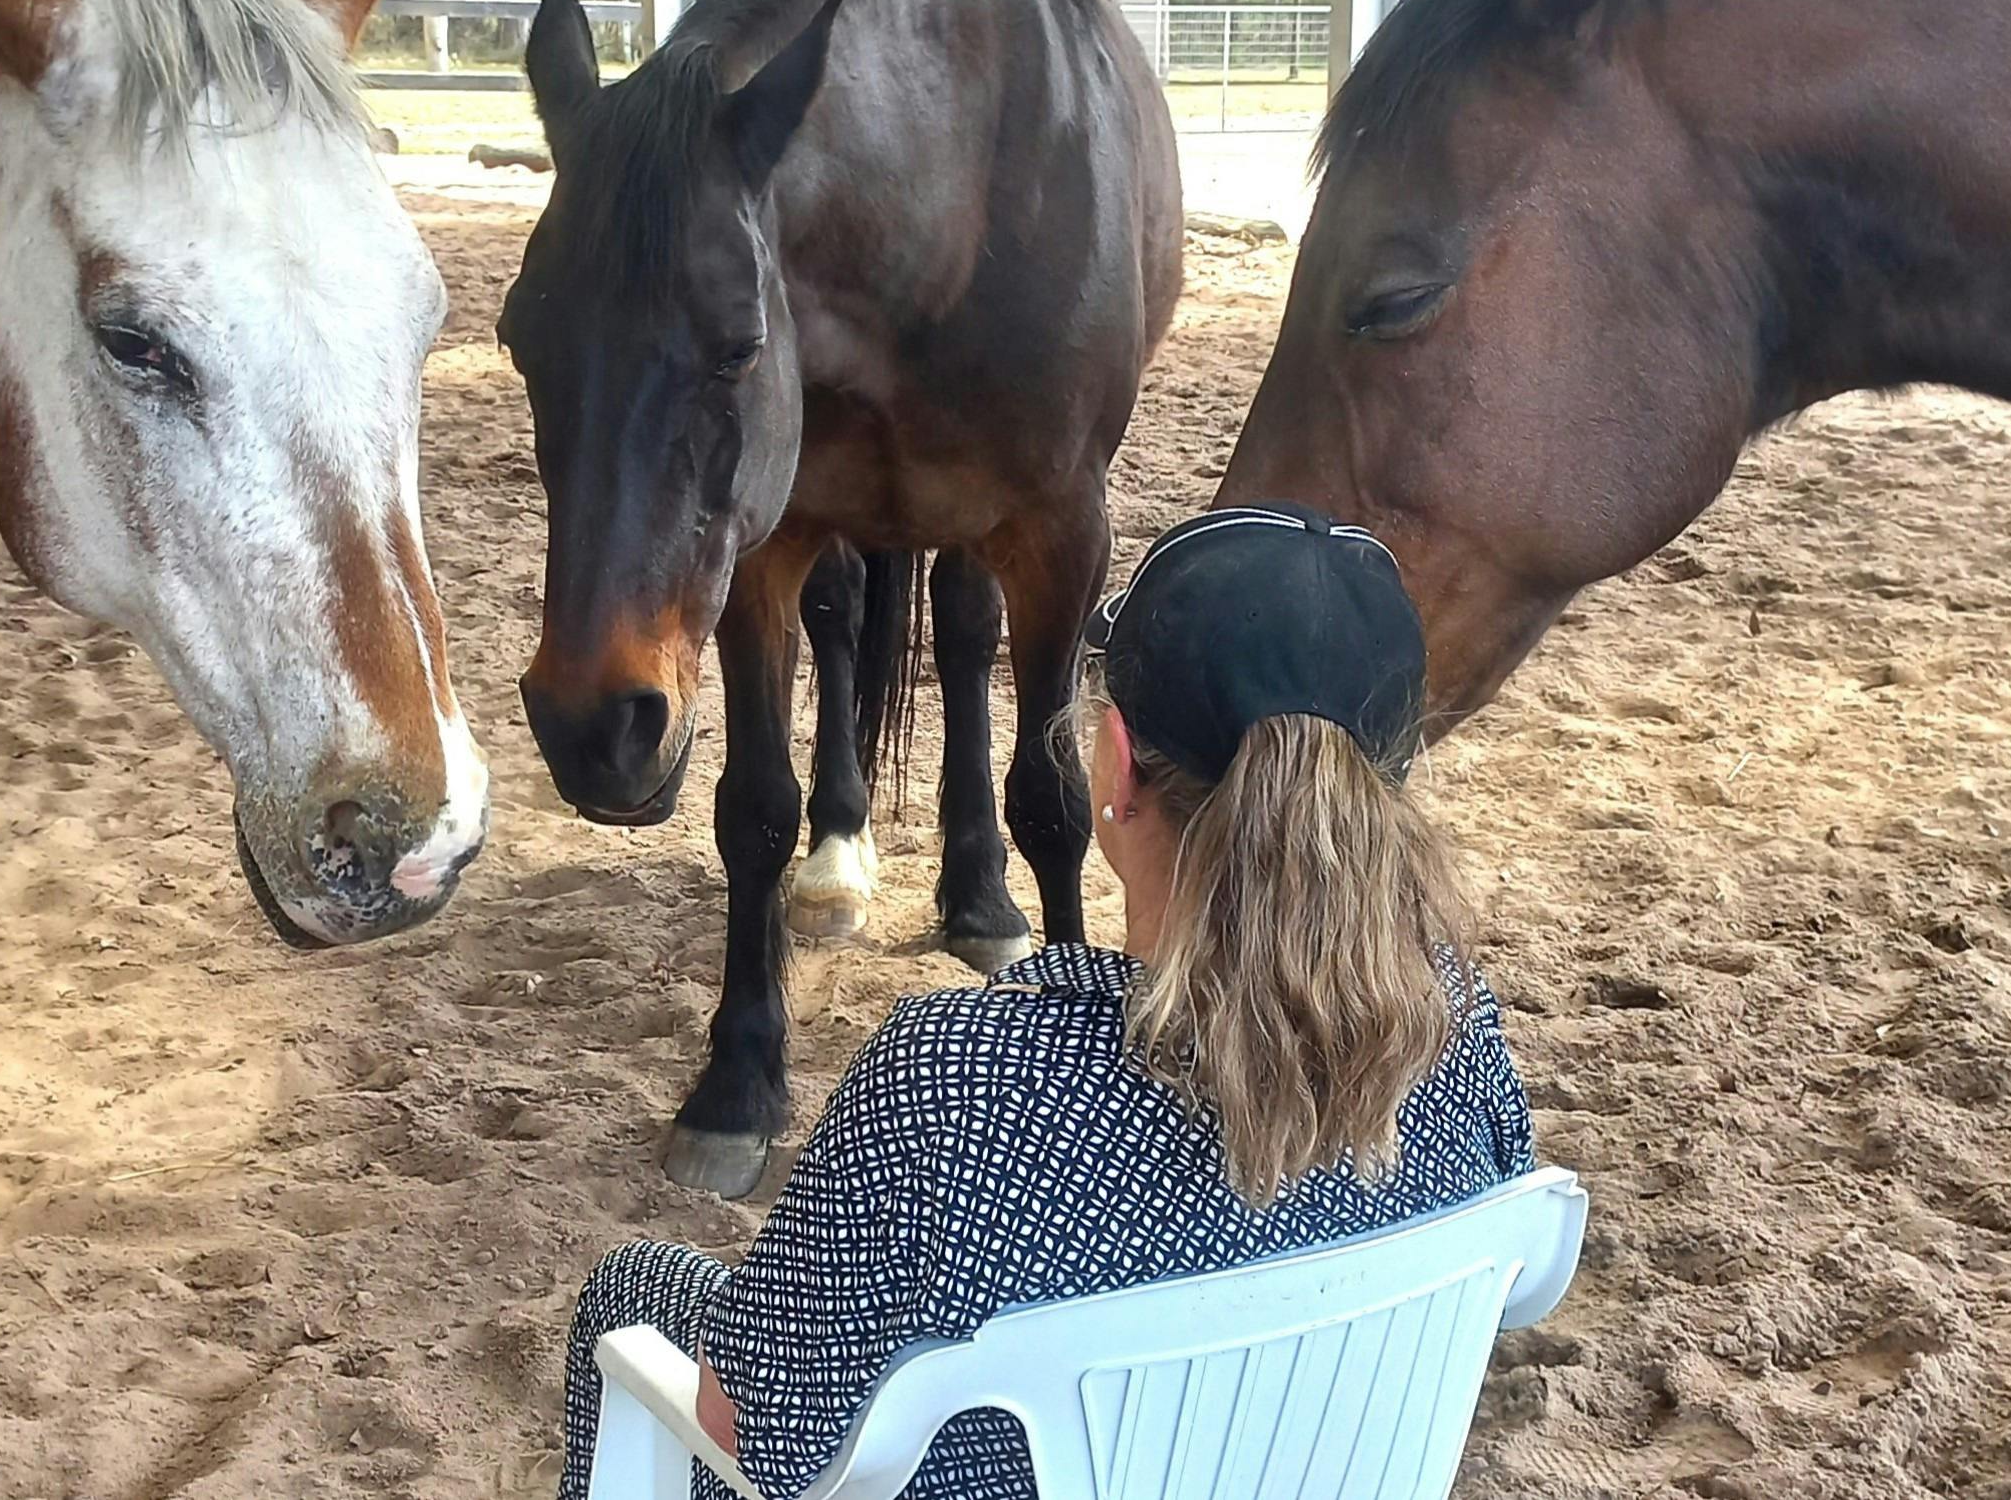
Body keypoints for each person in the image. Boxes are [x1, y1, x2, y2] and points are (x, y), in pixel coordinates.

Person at [556, 504, 1536, 1500]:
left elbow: (750, 1426)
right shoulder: (1458, 1033)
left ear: (1113, 768)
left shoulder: (955, 1080)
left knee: (634, 1294)